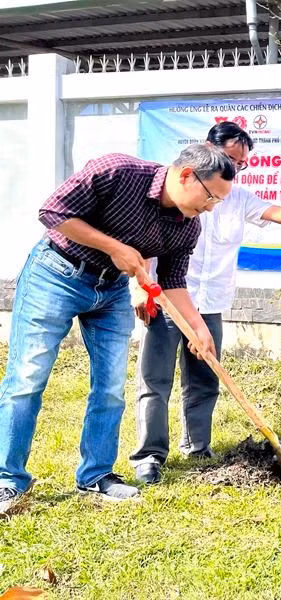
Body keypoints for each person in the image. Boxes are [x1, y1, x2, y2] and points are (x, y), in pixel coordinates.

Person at [0, 145, 235, 514]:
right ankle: (8, 479)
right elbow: (53, 212)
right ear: (187, 175)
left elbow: (173, 281)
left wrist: (198, 328)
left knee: (110, 388)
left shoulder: (187, 225)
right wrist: (114, 247)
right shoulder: (117, 171)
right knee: (28, 379)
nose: (210, 208)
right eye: (210, 197)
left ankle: (96, 475)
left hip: (110, 291)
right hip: (56, 274)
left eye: (218, 202)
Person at [129, 122, 281, 484]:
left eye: (241, 164)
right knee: (155, 380)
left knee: (205, 378)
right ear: (209, 149)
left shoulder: (238, 198)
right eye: (231, 159)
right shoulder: (179, 194)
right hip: (169, 300)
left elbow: (273, 212)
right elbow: (147, 242)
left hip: (210, 303)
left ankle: (197, 447)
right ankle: (150, 456)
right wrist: (143, 288)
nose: (235, 168)